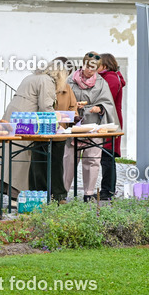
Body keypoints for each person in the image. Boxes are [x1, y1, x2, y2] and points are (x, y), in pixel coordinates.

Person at [0, 62, 57, 202]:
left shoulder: (31, 77)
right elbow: (45, 106)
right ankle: (16, 196)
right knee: (21, 156)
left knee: (8, 152)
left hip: (13, 114)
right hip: (25, 120)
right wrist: (56, 123)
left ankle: (7, 190)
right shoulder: (46, 80)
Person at [62, 52, 118, 201]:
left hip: (93, 125)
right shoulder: (70, 80)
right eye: (88, 67)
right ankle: (63, 192)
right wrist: (73, 105)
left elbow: (108, 103)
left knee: (92, 159)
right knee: (69, 159)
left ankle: (88, 193)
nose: (90, 71)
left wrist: (100, 107)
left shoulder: (101, 83)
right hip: (74, 125)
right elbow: (62, 98)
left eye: (94, 68)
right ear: (83, 64)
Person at [28, 57, 77, 202]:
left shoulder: (67, 88)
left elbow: (73, 107)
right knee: (38, 163)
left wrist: (69, 120)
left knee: (57, 164)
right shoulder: (45, 83)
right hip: (41, 131)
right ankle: (40, 195)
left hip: (59, 132)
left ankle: (59, 195)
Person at [97, 53, 125, 200]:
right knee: (107, 156)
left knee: (107, 156)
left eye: (98, 65)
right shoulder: (110, 77)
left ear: (105, 66)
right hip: (110, 120)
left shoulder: (111, 79)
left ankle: (107, 191)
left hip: (110, 121)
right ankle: (107, 190)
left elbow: (106, 100)